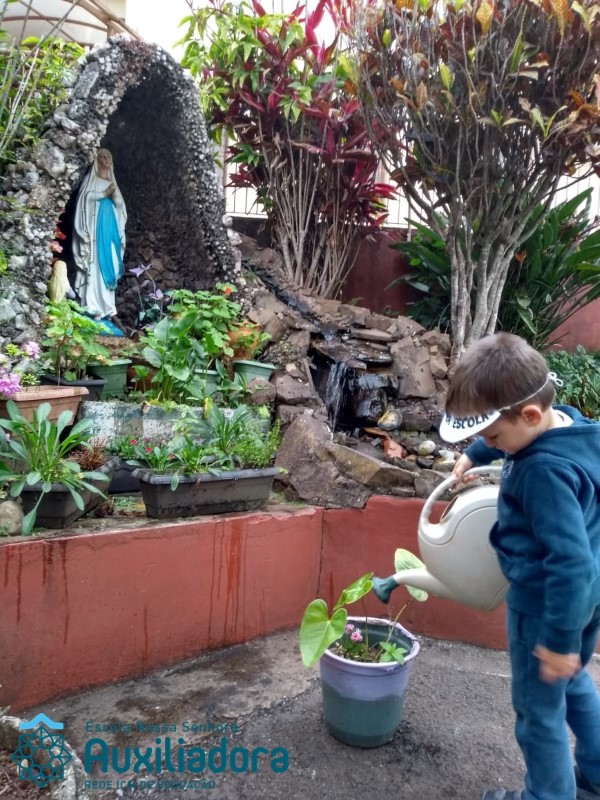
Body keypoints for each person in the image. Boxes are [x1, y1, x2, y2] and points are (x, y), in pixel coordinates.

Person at [439, 332, 600, 800]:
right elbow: (520, 430)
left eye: (492, 436)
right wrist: (477, 453)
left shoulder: (542, 471)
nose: (490, 442)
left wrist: (557, 640)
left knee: (537, 711)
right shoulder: (573, 428)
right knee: (573, 681)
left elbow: (570, 564)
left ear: (529, 415)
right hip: (587, 603)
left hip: (547, 606)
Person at [72, 148, 127, 320]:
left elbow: (120, 207)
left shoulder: (112, 183)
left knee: (112, 262)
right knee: (95, 264)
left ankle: (107, 306)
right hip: (96, 230)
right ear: (97, 160)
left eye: (109, 156)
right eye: (103, 156)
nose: (106, 159)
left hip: (110, 230)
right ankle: (93, 305)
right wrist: (104, 194)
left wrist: (115, 196)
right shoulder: (91, 181)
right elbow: (85, 200)